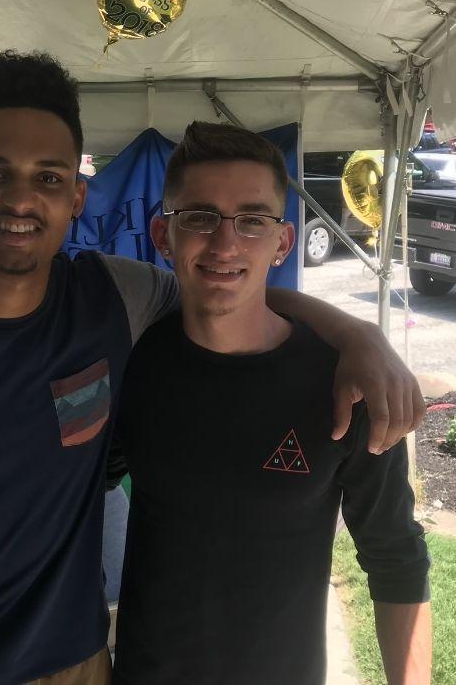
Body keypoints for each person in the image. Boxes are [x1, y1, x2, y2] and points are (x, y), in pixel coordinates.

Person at [0, 51, 424, 685]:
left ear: (77, 195)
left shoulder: (113, 300)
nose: (21, 198)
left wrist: (357, 333)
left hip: (73, 668)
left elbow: (230, 291)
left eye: (48, 177)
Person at [110, 122, 432, 685]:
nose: (225, 243)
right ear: (164, 235)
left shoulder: (347, 383)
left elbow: (396, 559)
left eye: (253, 220)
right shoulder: (134, 364)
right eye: (200, 217)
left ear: (283, 242)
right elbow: (78, 490)